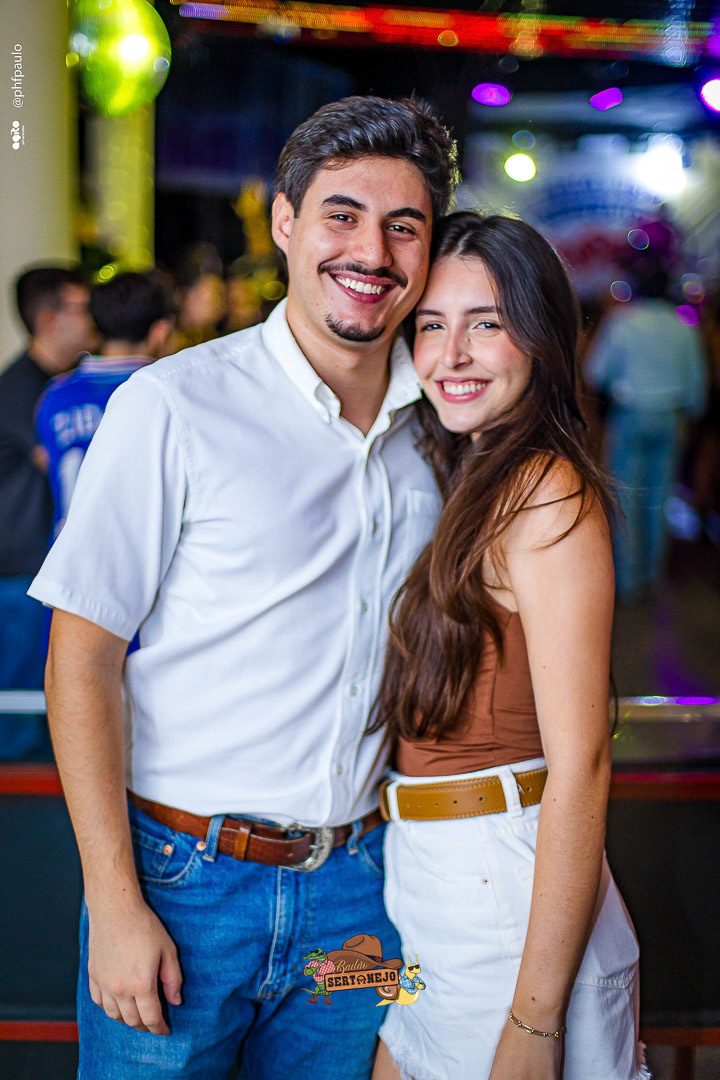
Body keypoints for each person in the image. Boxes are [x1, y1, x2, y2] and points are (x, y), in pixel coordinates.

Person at [28, 96, 457, 1079]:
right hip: (183, 884)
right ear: (285, 222)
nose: (372, 252)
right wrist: (115, 903)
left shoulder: (441, 430)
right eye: (342, 216)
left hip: (363, 897)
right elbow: (81, 661)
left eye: (404, 226)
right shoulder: (172, 405)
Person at [370, 212, 648, 1080]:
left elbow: (583, 762)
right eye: (431, 324)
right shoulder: (474, 470)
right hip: (439, 881)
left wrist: (535, 1023)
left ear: (541, 335)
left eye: (485, 323)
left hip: (504, 893)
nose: (450, 354)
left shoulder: (543, 489)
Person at [0, 265, 92, 759]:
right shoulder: (20, 391)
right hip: (20, 574)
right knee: (22, 727)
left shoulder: (59, 385)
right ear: (49, 320)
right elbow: (59, 459)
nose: (93, 319)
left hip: (45, 572)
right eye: (83, 308)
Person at [586, 265, 707, 601]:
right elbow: (696, 379)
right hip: (671, 416)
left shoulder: (623, 321)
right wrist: (694, 416)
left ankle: (628, 580)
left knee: (626, 495)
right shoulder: (683, 326)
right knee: (660, 495)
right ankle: (653, 575)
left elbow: (595, 372)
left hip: (631, 415)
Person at [35, 271, 175, 538]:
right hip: (136, 553)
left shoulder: (54, 394)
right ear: (161, 331)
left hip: (65, 553)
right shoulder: (163, 394)